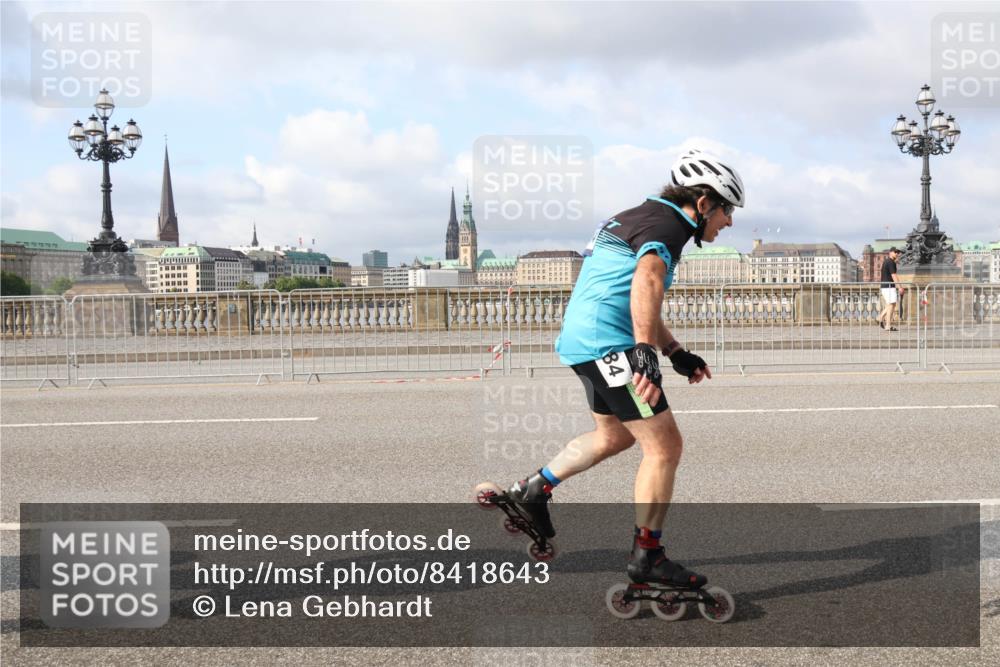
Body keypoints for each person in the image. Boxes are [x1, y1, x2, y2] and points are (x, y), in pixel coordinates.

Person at [503, 149, 744, 589]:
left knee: (614, 435)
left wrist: (674, 351)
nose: (728, 222)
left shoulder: (640, 216)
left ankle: (534, 489)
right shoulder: (669, 227)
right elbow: (647, 281)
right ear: (703, 202)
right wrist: (645, 354)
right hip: (609, 346)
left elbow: (631, 293)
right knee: (664, 447)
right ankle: (648, 556)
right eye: (727, 210)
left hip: (585, 341)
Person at [877, 247, 904, 332]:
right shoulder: (891, 262)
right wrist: (900, 287)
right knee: (891, 305)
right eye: (895, 252)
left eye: (898, 252)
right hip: (889, 286)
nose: (897, 254)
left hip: (886, 286)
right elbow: (894, 275)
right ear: (891, 252)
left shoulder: (887, 261)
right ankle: (888, 325)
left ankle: (880, 318)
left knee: (891, 304)